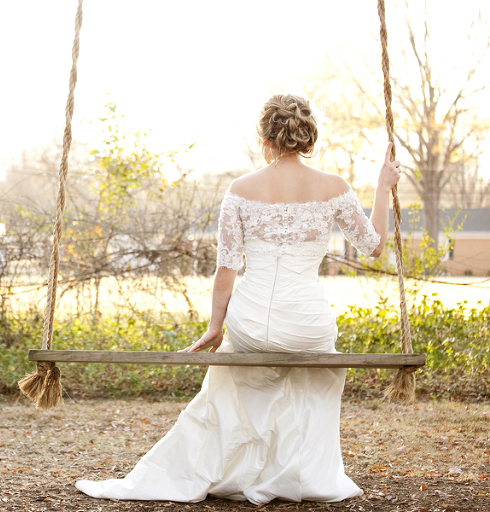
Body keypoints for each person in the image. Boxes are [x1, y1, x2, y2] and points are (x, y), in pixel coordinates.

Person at [75, 93, 402, 505]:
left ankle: (218, 467)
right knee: (314, 376)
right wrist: (382, 188)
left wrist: (216, 326)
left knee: (228, 386)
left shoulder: (241, 189)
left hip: (251, 321)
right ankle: (297, 476)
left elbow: (226, 269)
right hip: (307, 321)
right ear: (304, 136)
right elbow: (373, 246)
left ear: (265, 137)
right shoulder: (333, 187)